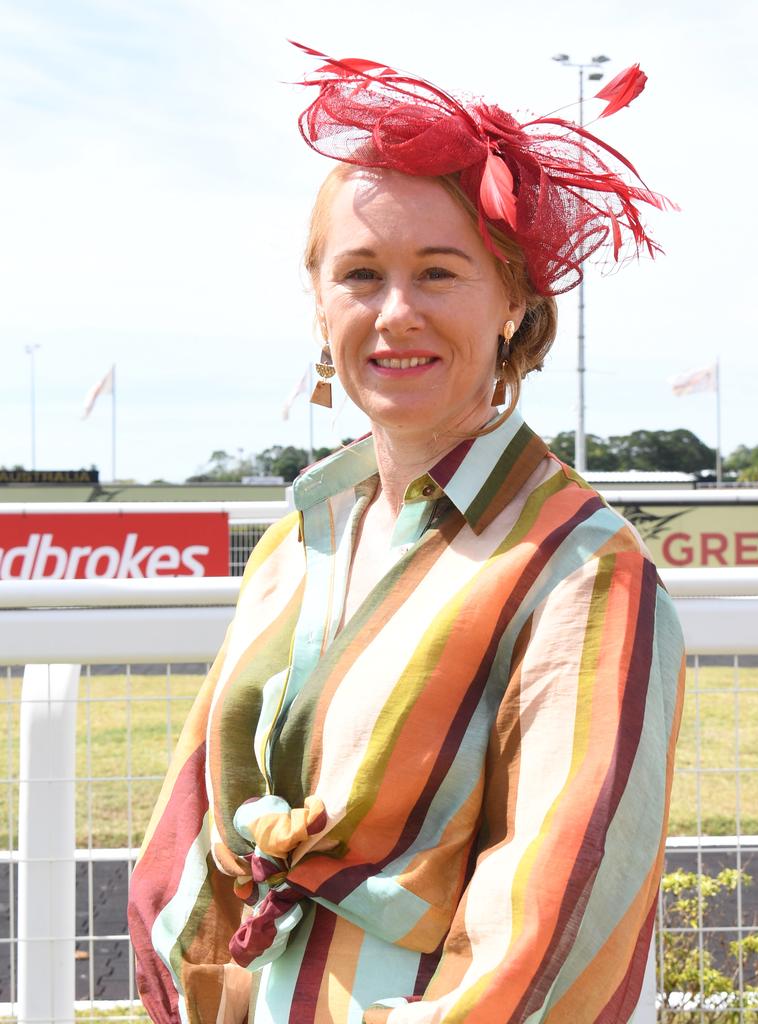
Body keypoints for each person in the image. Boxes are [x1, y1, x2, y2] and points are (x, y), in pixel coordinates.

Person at [128, 45, 685, 1024]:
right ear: (319, 300)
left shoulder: (585, 570)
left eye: (439, 271)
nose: (396, 314)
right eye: (360, 273)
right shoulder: (300, 540)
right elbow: (191, 844)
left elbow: (560, 934)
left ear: (514, 301)